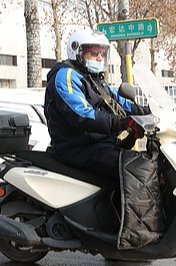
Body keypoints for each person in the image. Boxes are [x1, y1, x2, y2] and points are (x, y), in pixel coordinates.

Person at [44, 28, 148, 177]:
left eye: (102, 53)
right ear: (77, 51)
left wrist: (148, 111)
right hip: (78, 149)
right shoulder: (66, 76)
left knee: (145, 162)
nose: (99, 58)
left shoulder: (94, 78)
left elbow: (117, 103)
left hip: (102, 144)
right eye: (94, 53)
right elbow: (82, 114)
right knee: (134, 171)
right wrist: (119, 123)